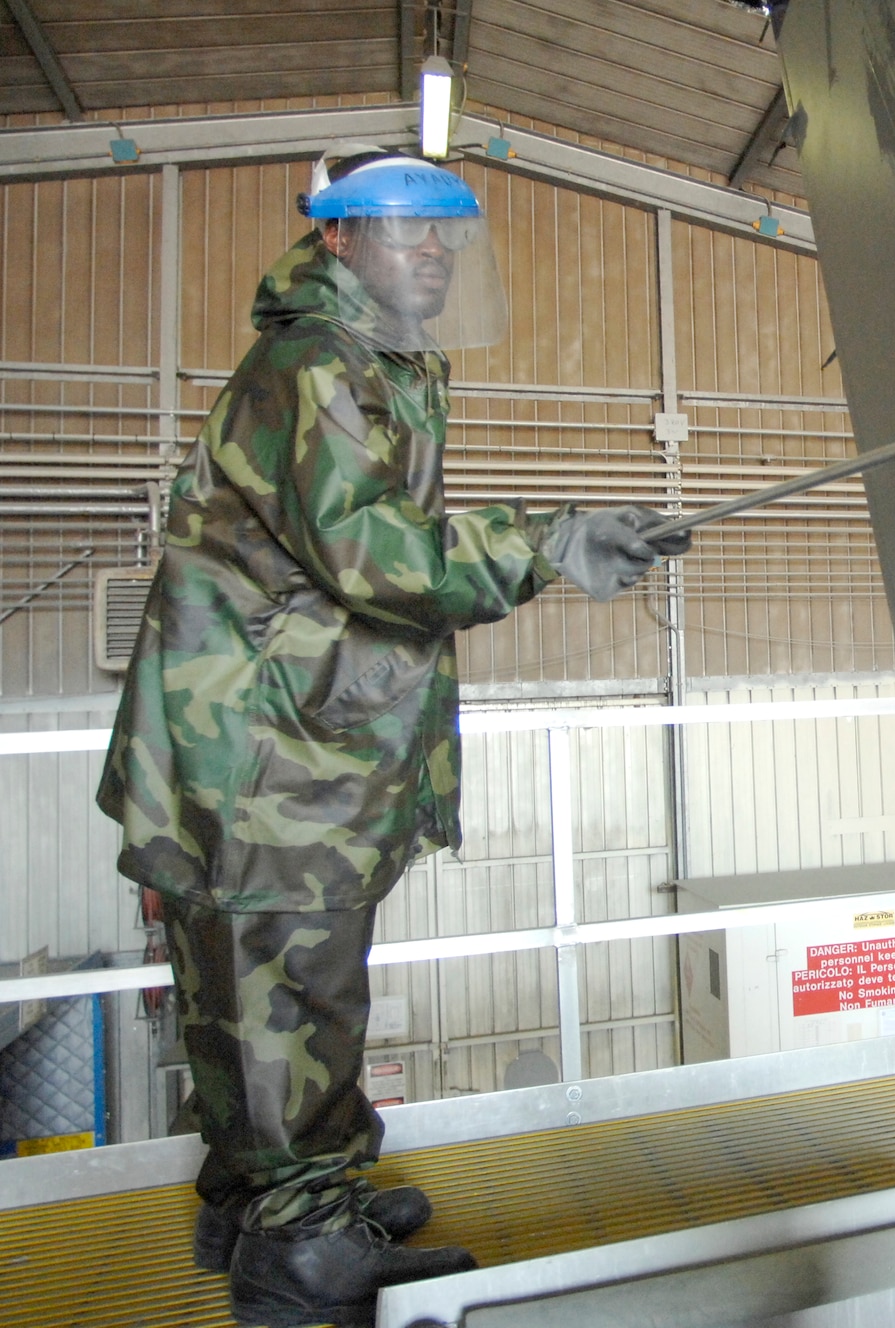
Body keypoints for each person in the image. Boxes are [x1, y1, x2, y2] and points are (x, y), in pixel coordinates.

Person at [95, 146, 685, 1328]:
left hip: (273, 735)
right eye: (400, 229)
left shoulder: (365, 364)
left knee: (246, 989)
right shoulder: (317, 366)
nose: (432, 250)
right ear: (337, 241)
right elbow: (376, 558)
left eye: (444, 234)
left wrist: (547, 542)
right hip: (268, 751)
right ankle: (303, 1242)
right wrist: (548, 540)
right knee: (292, 991)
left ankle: (256, 1195)